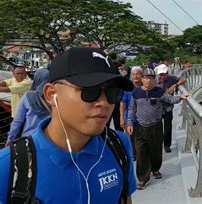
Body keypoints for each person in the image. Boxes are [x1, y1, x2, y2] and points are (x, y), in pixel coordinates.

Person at [0, 47, 136, 203]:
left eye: (113, 93)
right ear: (52, 94)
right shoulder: (10, 167)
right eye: (90, 91)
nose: (104, 103)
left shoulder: (118, 146)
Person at [126, 68, 189, 189]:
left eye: (151, 77)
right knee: (141, 153)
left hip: (156, 126)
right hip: (140, 127)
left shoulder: (159, 91)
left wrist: (181, 97)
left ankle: (155, 169)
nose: (148, 80)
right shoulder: (136, 93)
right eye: (146, 77)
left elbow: (170, 99)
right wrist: (129, 123)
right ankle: (142, 178)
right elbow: (131, 109)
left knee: (155, 149)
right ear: (142, 79)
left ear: (154, 79)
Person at [6, 69, 50, 145]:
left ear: (37, 79)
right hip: (49, 138)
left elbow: (17, 121)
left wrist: (10, 139)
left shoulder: (28, 96)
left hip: (30, 138)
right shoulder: (55, 97)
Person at [154, 64, 186, 153]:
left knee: (168, 127)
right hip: (157, 107)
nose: (162, 76)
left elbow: (183, 79)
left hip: (168, 106)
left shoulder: (171, 78)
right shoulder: (154, 81)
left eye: (164, 74)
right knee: (157, 128)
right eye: (160, 74)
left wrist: (175, 85)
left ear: (167, 73)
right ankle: (157, 144)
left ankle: (167, 145)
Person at [120, 66, 143, 161]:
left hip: (143, 118)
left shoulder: (145, 87)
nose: (135, 76)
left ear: (141, 75)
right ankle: (133, 154)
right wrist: (121, 118)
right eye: (133, 74)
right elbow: (122, 104)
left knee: (141, 139)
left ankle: (141, 155)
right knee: (131, 138)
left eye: (137, 74)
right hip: (130, 118)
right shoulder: (128, 88)